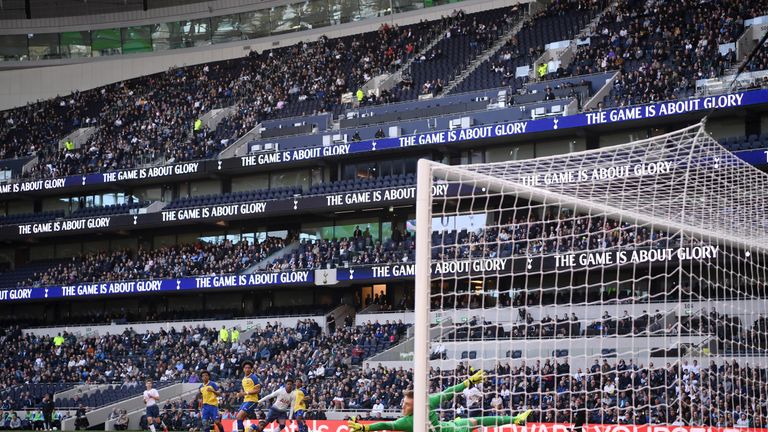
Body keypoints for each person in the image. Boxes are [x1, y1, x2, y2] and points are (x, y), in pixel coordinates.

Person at [347, 370, 532, 432]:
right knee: (473, 422)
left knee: (473, 421)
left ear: (417, 404)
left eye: (407, 404)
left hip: (449, 430)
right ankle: (515, 420)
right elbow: (383, 425)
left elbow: (449, 392)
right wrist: (365, 428)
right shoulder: (406, 421)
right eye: (404, 403)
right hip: (447, 427)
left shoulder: (425, 405)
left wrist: (468, 382)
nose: (403, 406)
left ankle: (515, 420)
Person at [235, 360, 261, 432]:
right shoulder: (244, 379)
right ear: (243, 369)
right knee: (239, 418)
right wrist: (239, 394)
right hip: (245, 401)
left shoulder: (254, 377)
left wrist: (245, 393)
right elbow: (245, 391)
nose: (247, 369)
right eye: (246, 368)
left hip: (252, 401)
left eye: (249, 368)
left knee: (239, 416)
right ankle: (255, 428)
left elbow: (258, 390)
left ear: (251, 369)